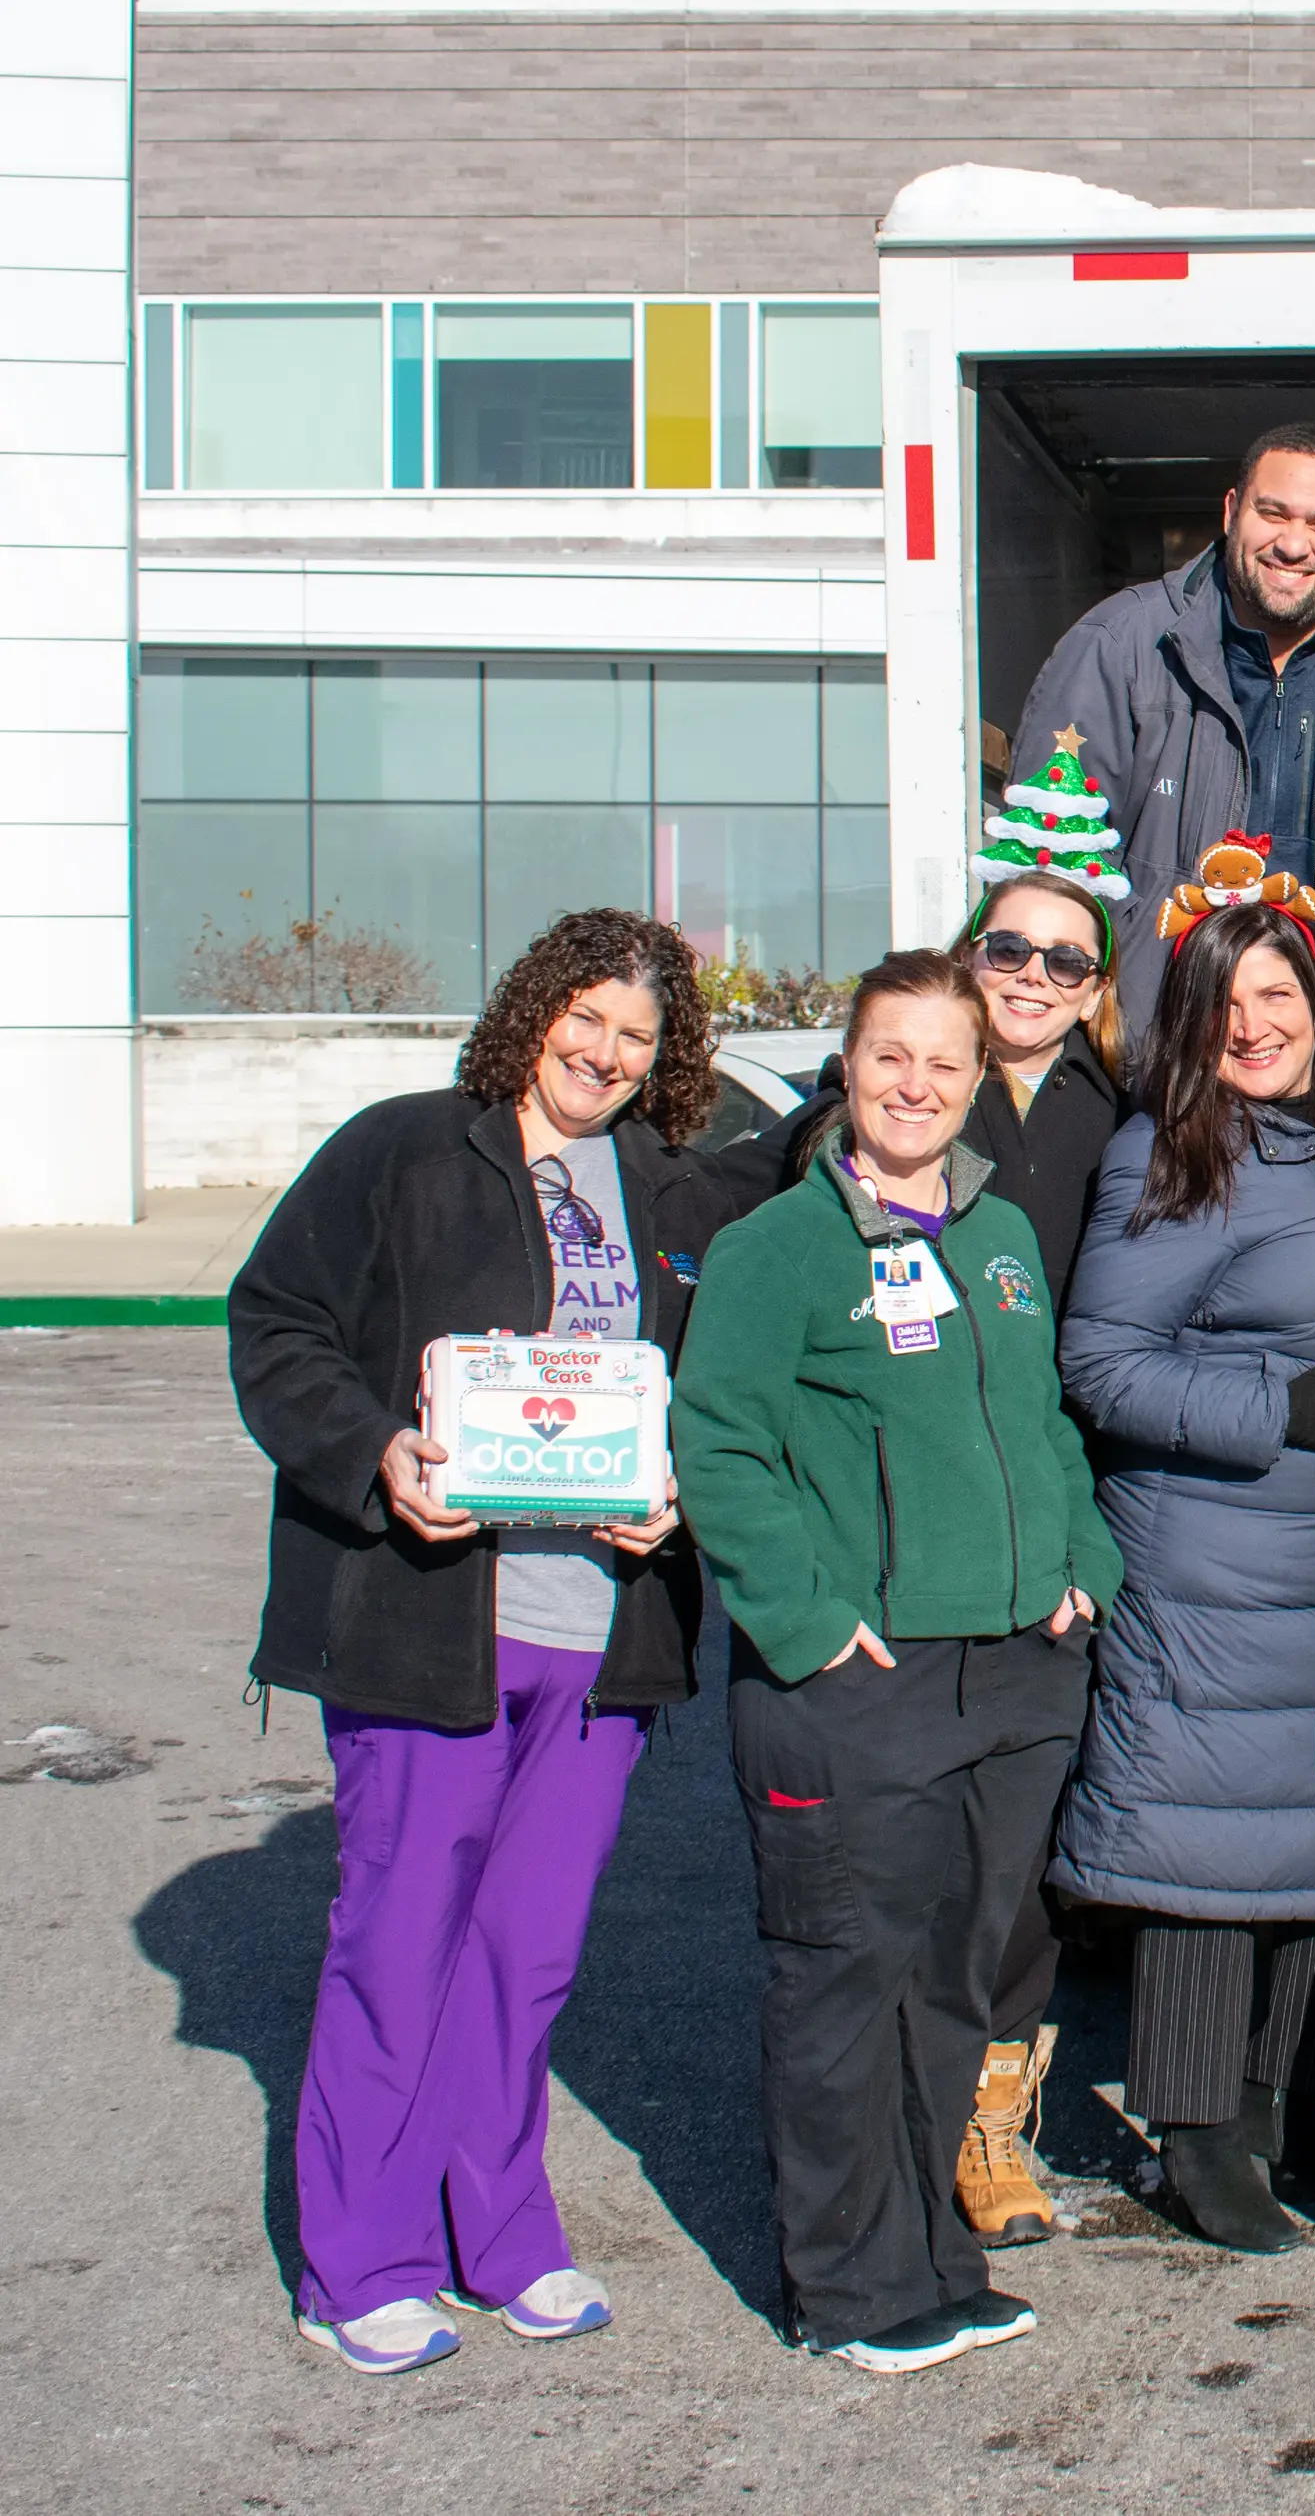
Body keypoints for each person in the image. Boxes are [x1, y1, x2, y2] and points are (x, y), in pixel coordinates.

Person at [228, 909, 734, 2376]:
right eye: (588, 1018)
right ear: (535, 1010)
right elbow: (275, 1325)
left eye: (639, 1036)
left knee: (526, 1957)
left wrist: (680, 1500)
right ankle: (362, 2259)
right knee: (399, 1942)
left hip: (598, 1639)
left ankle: (499, 2230)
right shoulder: (403, 1148)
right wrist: (376, 1453)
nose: (608, 1052)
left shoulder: (667, 1192)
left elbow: (701, 1396)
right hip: (430, 1620)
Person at [674, 949, 1124, 2374]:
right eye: (889, 1058)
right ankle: (848, 2290)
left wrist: (1081, 1569)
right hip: (858, 1681)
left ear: (976, 1074)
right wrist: (807, 1620)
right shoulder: (779, 1249)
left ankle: (934, 2254)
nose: (916, 1086)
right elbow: (720, 1447)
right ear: (849, 1070)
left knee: (952, 1979)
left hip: (1014, 1672)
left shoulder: (992, 1239)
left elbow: (1043, 1422)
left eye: (943, 1061)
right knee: (844, 1988)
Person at [770, 778, 1137, 2249]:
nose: (1033, 979)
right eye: (1008, 951)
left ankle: (995, 2106)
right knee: (900, 1861)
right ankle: (889, 2152)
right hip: (902, 1542)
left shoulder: (1127, 1119)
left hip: (1060, 1517)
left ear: (1097, 987)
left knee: (1020, 1851)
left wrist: (1085, 1551)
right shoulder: (876, 1121)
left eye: (1064, 960)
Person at [1045, 891, 1315, 2254]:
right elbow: (1100, 1362)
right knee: (1204, 1847)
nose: (1257, 1027)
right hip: (1209, 1555)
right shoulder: (1171, 1153)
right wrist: (1282, 1409)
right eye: (1227, 1006)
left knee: (1304, 1842)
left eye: (1279, 994)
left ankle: (1269, 2107)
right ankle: (1193, 2134)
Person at [1009, 421, 1315, 1021]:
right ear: (1232, 511)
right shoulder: (1119, 646)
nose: (1292, 544)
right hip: (1161, 1057)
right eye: (1273, 513)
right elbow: (1048, 874)